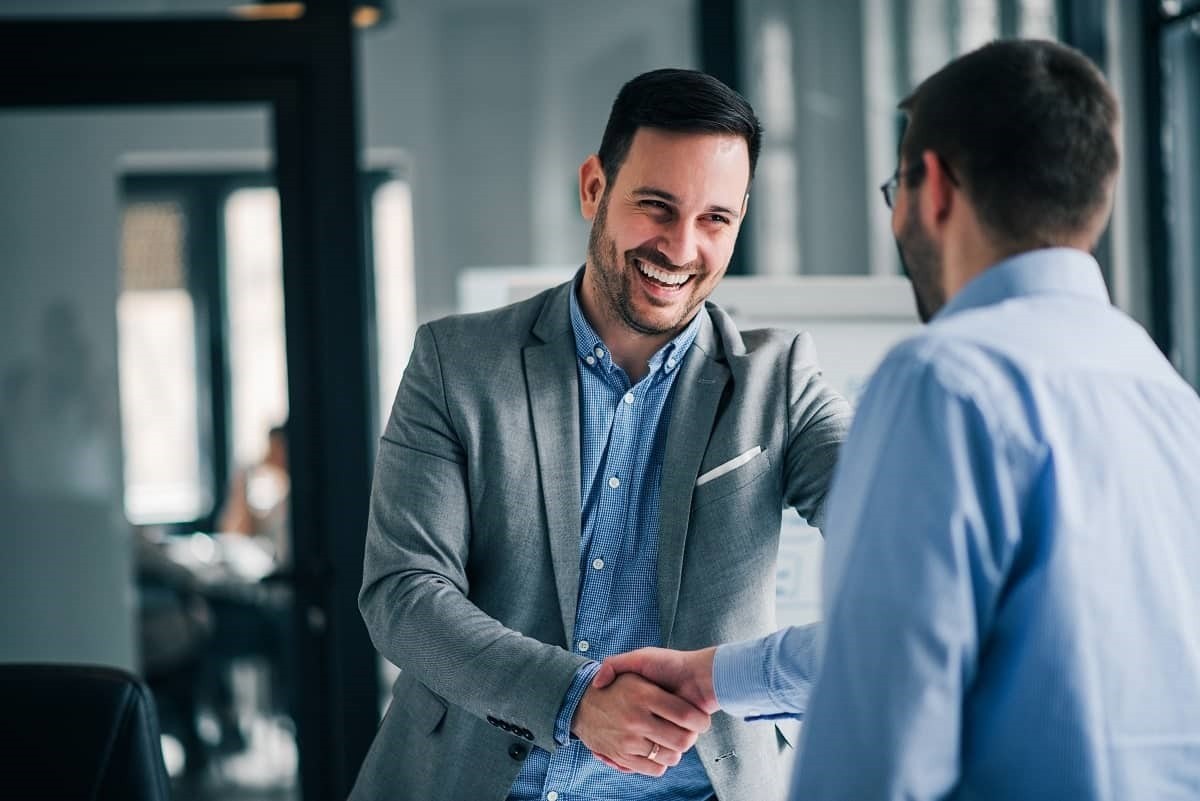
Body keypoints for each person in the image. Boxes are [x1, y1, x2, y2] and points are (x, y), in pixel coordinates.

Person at [594, 38, 1200, 800]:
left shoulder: (946, 381)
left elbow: (878, 720)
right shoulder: (1168, 396)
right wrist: (715, 675)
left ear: (934, 188)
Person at [350, 68, 852, 801]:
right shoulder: (456, 364)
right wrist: (574, 698)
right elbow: (403, 593)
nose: (681, 248)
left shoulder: (780, 383)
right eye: (657, 206)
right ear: (594, 188)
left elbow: (906, 551)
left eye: (716, 219)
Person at [217, 422, 290, 568]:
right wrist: (242, 481)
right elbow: (236, 533)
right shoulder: (280, 502)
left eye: (275, 448)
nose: (269, 454)